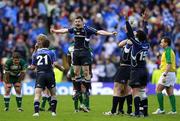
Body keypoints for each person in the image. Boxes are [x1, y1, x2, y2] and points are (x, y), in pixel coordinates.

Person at [51, 16, 117, 112]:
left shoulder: (87, 29)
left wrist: (110, 33)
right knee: (77, 73)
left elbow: (99, 32)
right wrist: (55, 31)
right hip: (76, 53)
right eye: (75, 21)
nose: (77, 23)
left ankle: (85, 89)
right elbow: (64, 30)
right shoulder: (74, 29)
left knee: (86, 72)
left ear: (82, 22)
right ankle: (78, 91)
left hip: (85, 53)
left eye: (78, 21)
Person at [28, 34, 64, 117]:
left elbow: (32, 67)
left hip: (40, 75)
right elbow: (55, 63)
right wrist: (61, 68)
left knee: (37, 94)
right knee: (53, 94)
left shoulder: (36, 53)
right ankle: (53, 112)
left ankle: (36, 112)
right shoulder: (51, 52)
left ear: (41, 43)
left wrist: (28, 67)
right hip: (49, 74)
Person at [125, 10, 150, 117]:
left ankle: (136, 113)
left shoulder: (137, 44)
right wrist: (144, 21)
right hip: (144, 70)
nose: (135, 33)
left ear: (138, 37)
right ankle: (145, 113)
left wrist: (126, 21)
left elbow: (130, 35)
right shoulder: (146, 44)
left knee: (135, 92)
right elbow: (145, 32)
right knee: (142, 92)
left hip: (136, 71)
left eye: (136, 33)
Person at [103, 39, 132, 115]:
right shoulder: (137, 44)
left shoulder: (130, 44)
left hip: (124, 68)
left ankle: (113, 111)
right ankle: (125, 110)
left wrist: (130, 38)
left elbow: (119, 45)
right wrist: (130, 38)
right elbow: (120, 45)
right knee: (126, 90)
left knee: (117, 89)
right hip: (130, 68)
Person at [152, 37, 177, 115]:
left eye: (162, 42)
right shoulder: (168, 51)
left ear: (166, 43)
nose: (160, 43)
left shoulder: (168, 51)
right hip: (171, 73)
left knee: (158, 89)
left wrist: (165, 73)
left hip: (168, 73)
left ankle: (161, 109)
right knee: (170, 92)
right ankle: (173, 110)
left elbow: (169, 63)